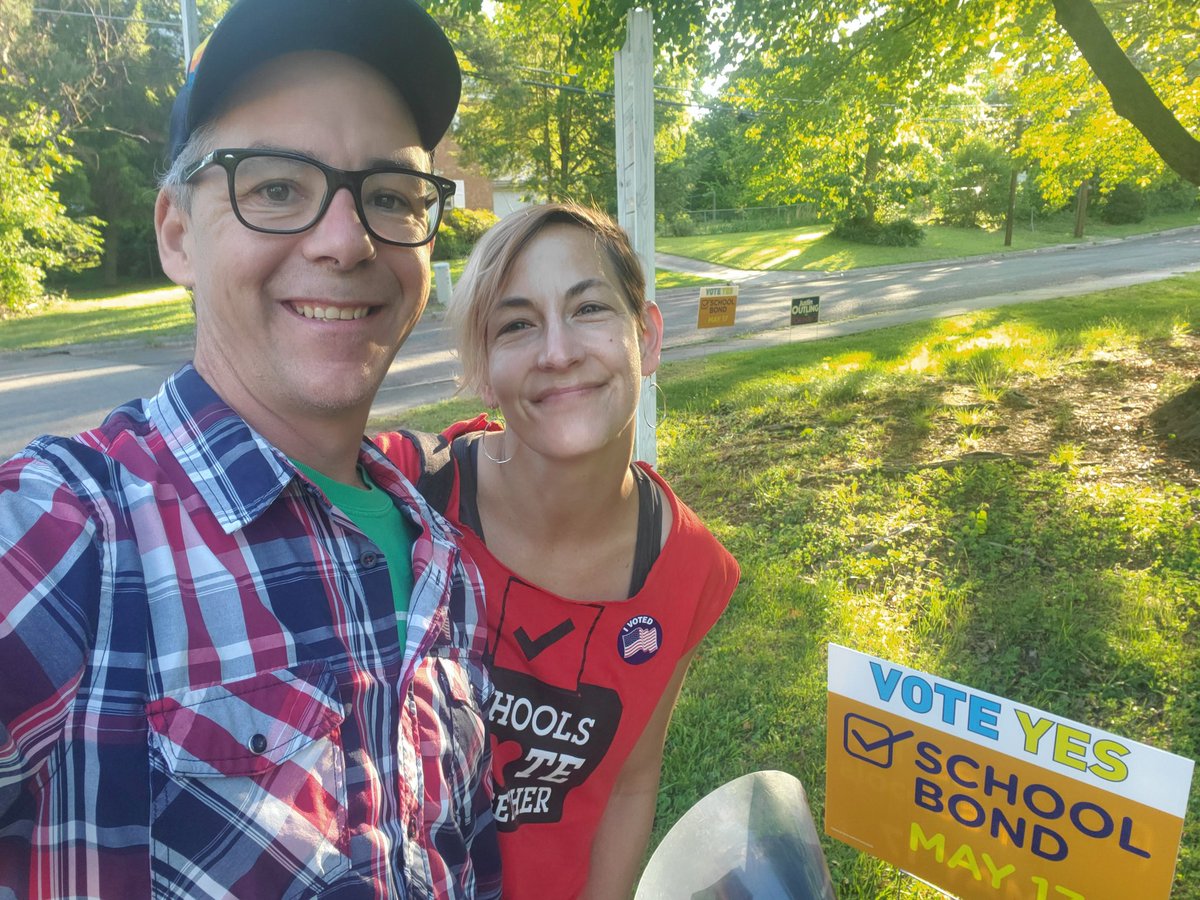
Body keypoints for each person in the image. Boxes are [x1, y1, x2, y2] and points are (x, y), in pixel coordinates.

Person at [0, 0, 501, 896]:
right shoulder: (67, 541)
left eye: (390, 196)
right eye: (275, 187)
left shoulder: (443, 562)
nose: (348, 241)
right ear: (177, 234)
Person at [376, 203, 740, 899]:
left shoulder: (692, 571)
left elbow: (631, 782)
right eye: (516, 324)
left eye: (589, 309)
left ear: (649, 337)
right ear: (484, 368)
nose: (558, 351)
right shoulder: (406, 496)